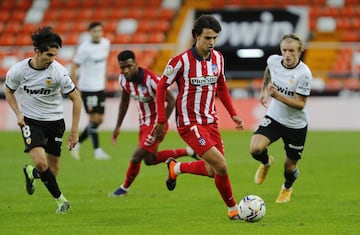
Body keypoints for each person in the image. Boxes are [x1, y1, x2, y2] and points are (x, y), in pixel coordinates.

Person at [152, 15, 244, 220]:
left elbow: (221, 86)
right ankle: (233, 210)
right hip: (189, 124)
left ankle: (176, 167)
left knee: (213, 171)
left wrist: (234, 114)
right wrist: (161, 118)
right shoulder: (180, 61)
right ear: (196, 36)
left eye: (215, 38)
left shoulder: (218, 58)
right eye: (207, 38)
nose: (212, 42)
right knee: (222, 165)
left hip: (211, 121)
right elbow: (161, 87)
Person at [5, 27, 82, 213]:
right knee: (41, 162)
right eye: (49, 55)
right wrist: (18, 114)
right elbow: (9, 91)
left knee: (52, 171)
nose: (52, 59)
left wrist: (74, 131)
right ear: (37, 51)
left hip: (55, 122)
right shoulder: (18, 71)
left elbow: (76, 98)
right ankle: (61, 201)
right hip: (31, 122)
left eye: (55, 55)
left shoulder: (58, 72)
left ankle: (31, 173)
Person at [109, 50, 198, 197]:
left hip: (156, 125)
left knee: (136, 157)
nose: (126, 70)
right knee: (150, 160)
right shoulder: (123, 80)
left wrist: (162, 122)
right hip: (143, 124)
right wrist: (118, 125)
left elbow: (171, 100)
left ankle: (124, 188)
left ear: (136, 64)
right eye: (123, 68)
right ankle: (188, 151)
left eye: (129, 66)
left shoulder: (151, 80)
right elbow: (124, 101)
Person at [249, 33, 312, 203]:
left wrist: (276, 96)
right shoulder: (274, 61)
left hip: (295, 125)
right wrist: (263, 90)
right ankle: (267, 162)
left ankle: (287, 187)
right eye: (284, 50)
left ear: (300, 51)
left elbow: (300, 104)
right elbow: (269, 70)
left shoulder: (304, 74)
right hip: (275, 116)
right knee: (255, 149)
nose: (287, 54)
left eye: (291, 50)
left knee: (289, 167)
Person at [70, 21, 111, 160]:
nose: (97, 34)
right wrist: (75, 88)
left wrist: (104, 80)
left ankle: (78, 142)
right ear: (90, 33)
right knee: (93, 118)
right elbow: (74, 67)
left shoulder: (106, 43)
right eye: (95, 31)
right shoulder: (84, 48)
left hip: (100, 87)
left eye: (100, 31)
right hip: (88, 87)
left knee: (99, 120)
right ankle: (97, 150)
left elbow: (104, 64)